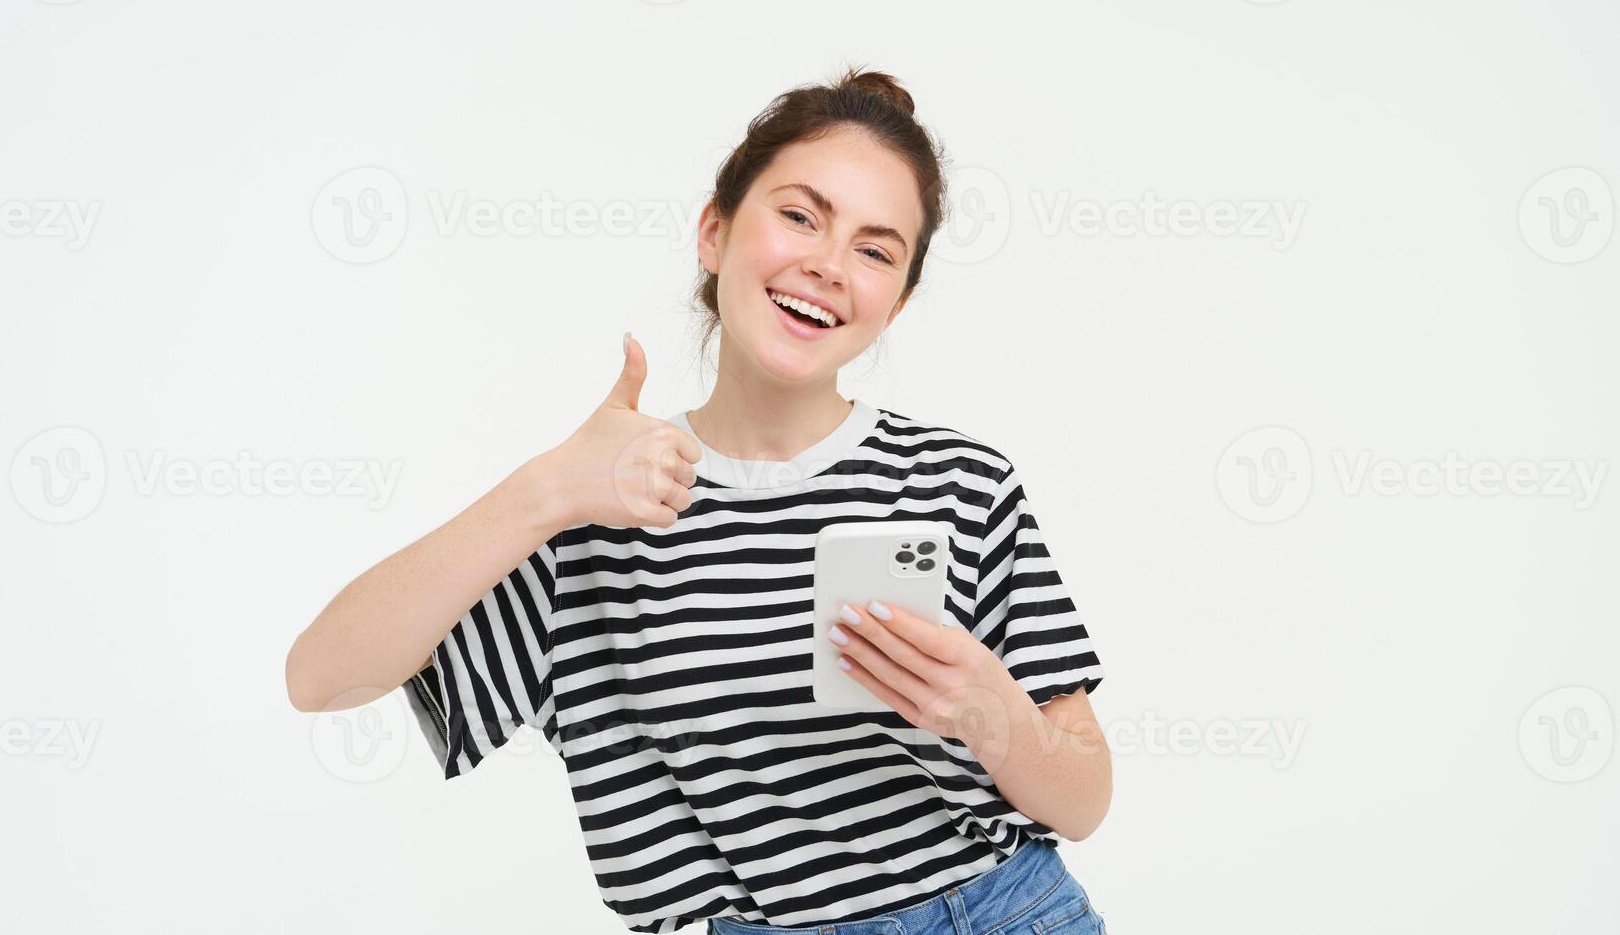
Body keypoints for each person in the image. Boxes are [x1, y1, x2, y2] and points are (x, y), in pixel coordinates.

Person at [285, 67, 1113, 934]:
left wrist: (989, 708)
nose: (828, 265)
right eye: (800, 215)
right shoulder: (602, 505)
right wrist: (544, 490)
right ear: (714, 232)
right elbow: (322, 678)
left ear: (896, 303)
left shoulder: (961, 482)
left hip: (1006, 912)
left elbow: (1086, 802)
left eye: (875, 250)